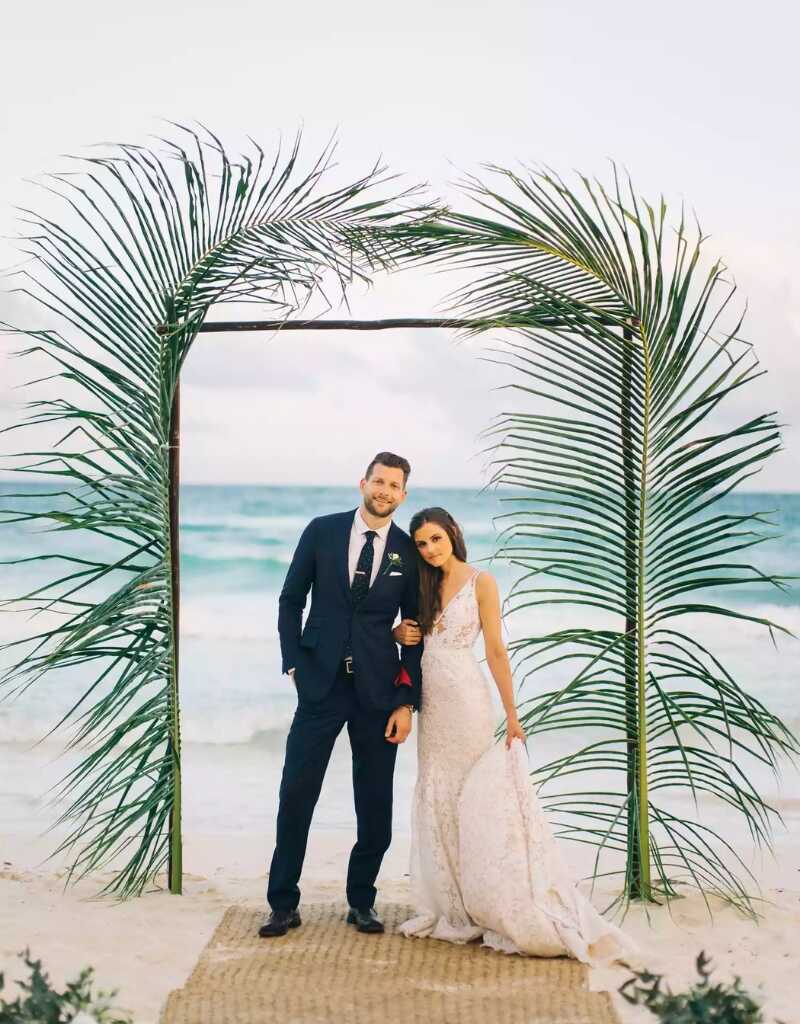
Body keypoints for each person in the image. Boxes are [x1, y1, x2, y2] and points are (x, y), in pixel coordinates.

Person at [393, 506, 636, 963]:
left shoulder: (481, 581)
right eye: (422, 543)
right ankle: (453, 902)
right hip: (434, 706)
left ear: (454, 533)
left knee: (476, 796)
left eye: (436, 539)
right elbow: (411, 637)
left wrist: (513, 713)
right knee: (438, 795)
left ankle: (494, 897)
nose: (429, 549)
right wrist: (398, 631)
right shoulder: (420, 584)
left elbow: (496, 650)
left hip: (467, 699)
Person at [259, 452, 422, 938]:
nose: (385, 491)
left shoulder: (407, 551)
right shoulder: (321, 531)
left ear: (403, 494)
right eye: (379, 481)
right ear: (363, 483)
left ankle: (362, 901)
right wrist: (293, 662)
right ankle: (283, 903)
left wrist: (405, 701)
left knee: (375, 803)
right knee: (296, 795)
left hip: (377, 691)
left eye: (395, 485)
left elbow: (414, 628)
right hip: (320, 688)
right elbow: (291, 599)